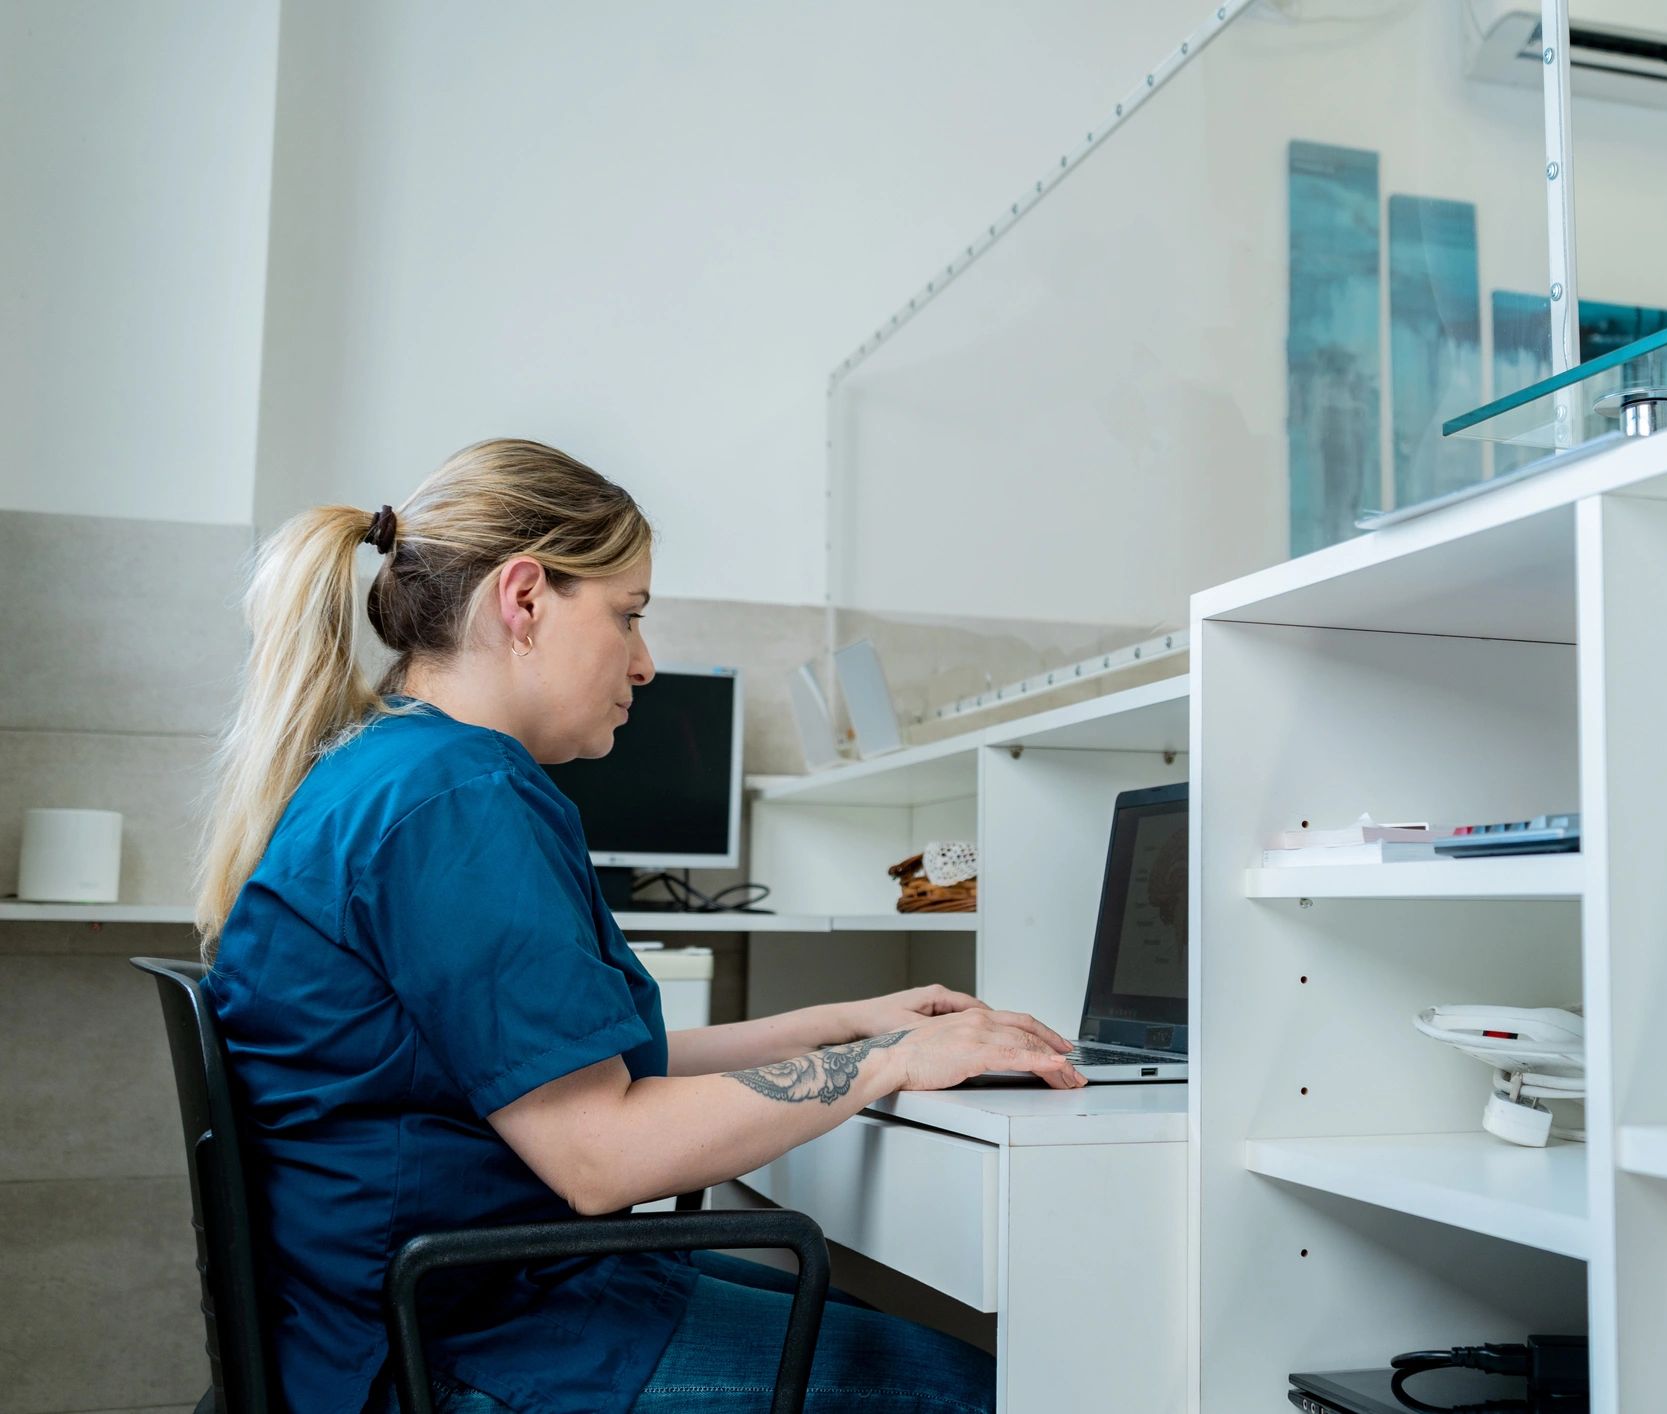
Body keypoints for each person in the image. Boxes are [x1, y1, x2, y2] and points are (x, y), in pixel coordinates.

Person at [193, 438, 1085, 1413]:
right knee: (993, 1388)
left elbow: (587, 1073)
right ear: (523, 599)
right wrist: (884, 1066)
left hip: (446, 1300)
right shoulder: (457, 798)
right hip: (464, 1343)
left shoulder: (393, 768)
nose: (647, 662)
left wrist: (845, 1025)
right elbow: (600, 1156)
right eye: (628, 615)